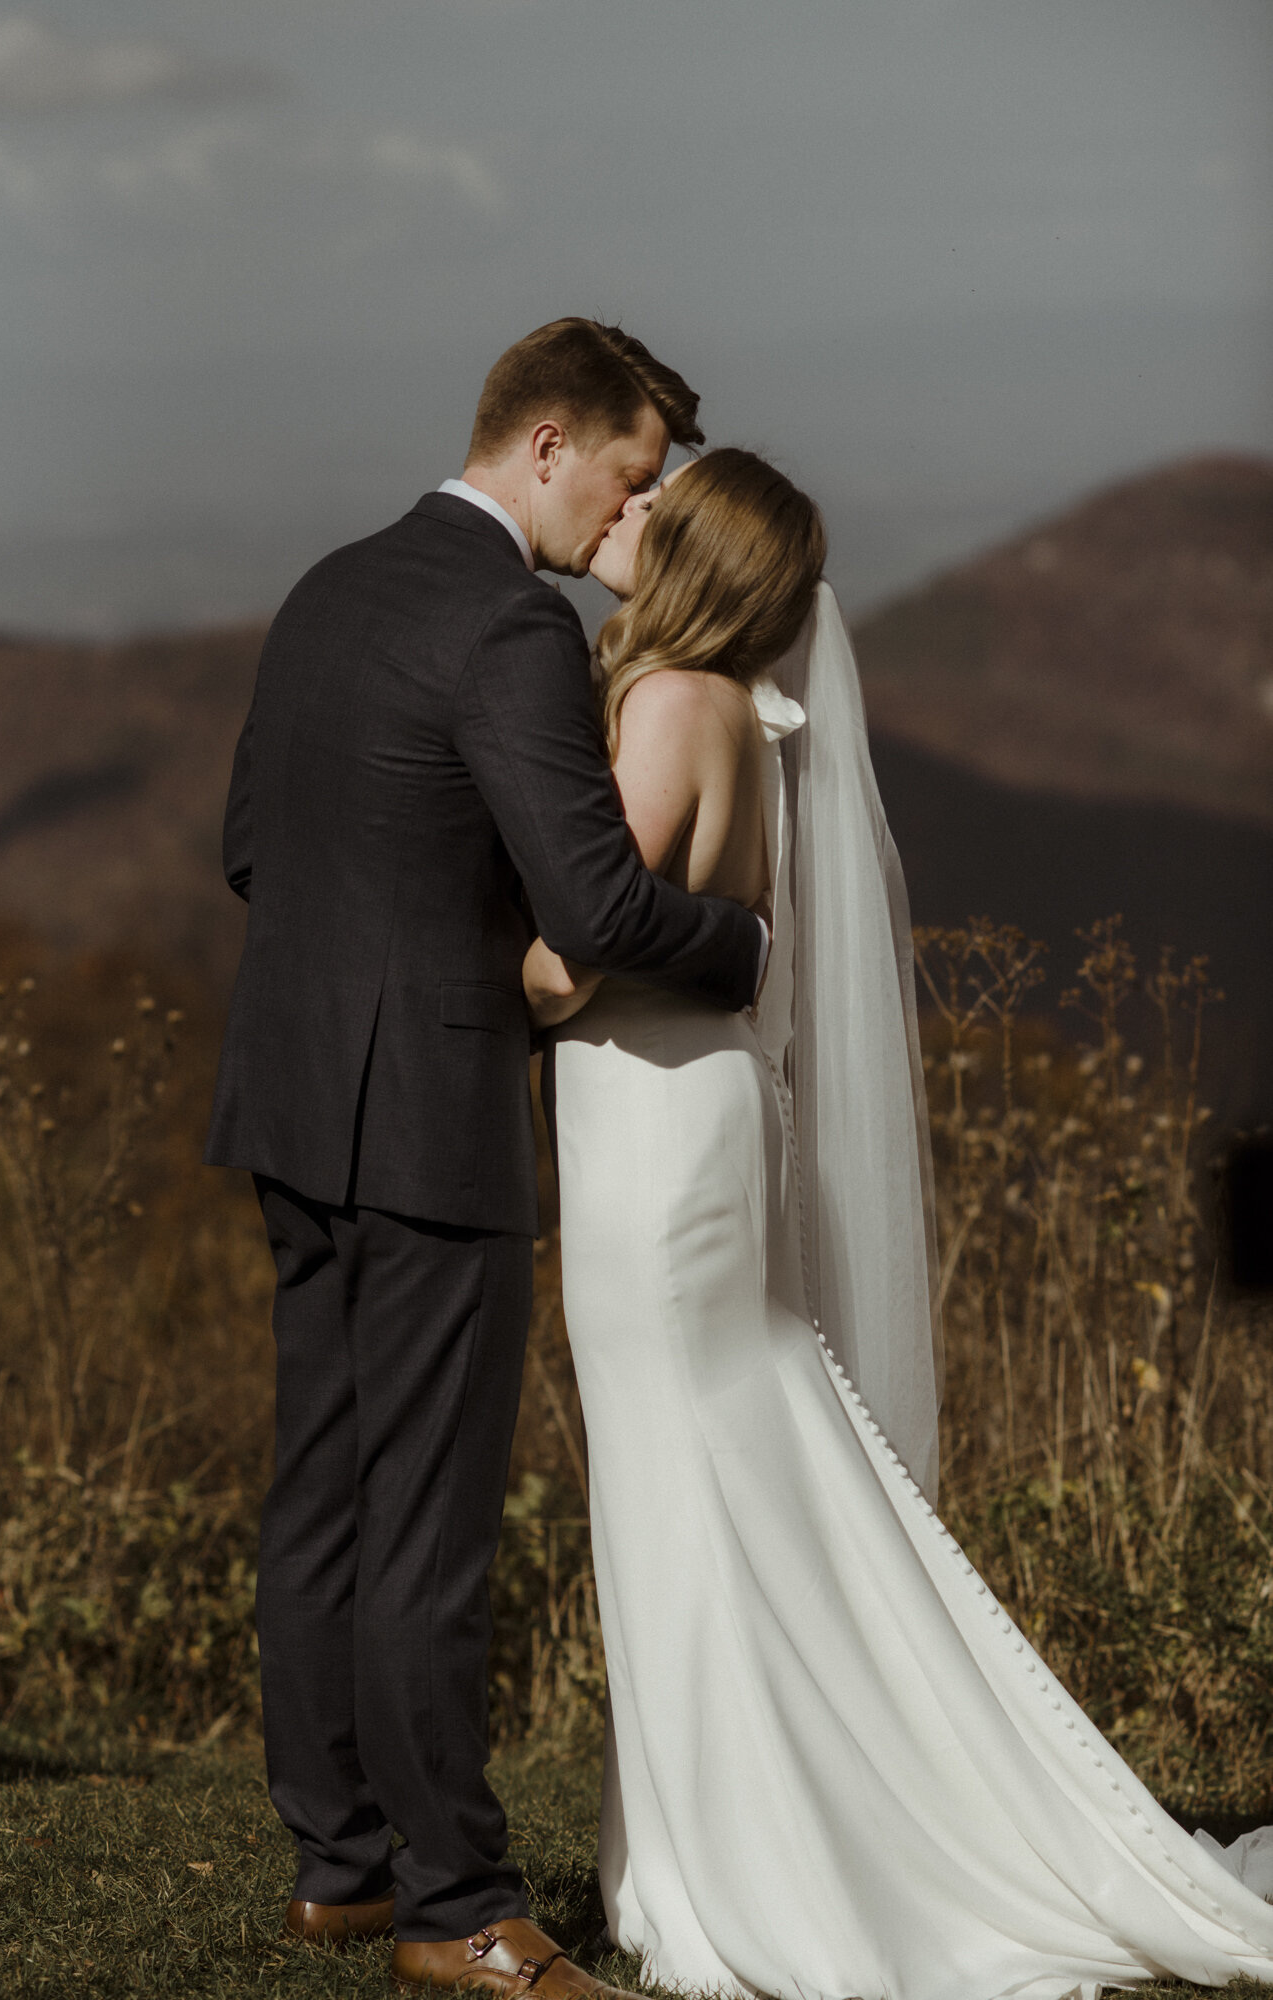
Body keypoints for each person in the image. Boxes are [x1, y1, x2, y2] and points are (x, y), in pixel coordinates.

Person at [525, 447, 1273, 2000]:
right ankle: (741, 1830)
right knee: (731, 1470)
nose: (627, 519)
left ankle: (741, 1860)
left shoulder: (671, 706)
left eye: (656, 512)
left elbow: (567, 962)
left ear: (697, 563)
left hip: (653, 1141)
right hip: (692, 1117)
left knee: (689, 1480)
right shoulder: (748, 711)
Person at [205, 321, 767, 1993]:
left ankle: (340, 1868)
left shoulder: (330, 584)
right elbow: (594, 905)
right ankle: (460, 1908)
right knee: (432, 1523)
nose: (638, 514)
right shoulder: (512, 624)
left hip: (288, 1100)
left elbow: (251, 847)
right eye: (630, 473)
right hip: (425, 1121)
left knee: (324, 1491)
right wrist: (739, 943)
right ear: (545, 442)